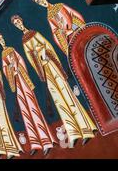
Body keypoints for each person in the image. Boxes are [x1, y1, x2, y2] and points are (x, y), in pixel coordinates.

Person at [11, 15, 97, 147]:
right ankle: (73, 132)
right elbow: (30, 59)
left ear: (22, 21)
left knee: (66, 94)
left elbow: (48, 46)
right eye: (16, 24)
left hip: (51, 65)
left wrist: (45, 55)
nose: (18, 24)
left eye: (18, 22)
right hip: (44, 70)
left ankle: (87, 129)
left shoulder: (34, 33)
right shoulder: (23, 40)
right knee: (58, 99)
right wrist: (39, 63)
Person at [0, 32, 56, 155]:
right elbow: (5, 70)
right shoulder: (3, 54)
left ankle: (47, 141)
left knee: (33, 108)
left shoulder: (12, 50)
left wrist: (16, 66)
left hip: (24, 80)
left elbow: (21, 61)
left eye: (1, 38)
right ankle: (35, 143)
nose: (1, 40)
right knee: (24, 111)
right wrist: (10, 69)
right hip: (17, 83)